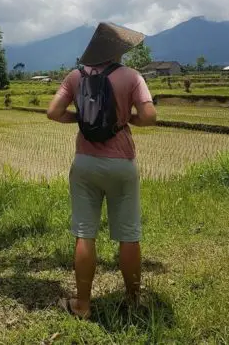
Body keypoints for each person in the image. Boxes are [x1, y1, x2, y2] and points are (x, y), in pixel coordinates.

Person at [47, 22, 157, 319]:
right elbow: (149, 115)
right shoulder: (132, 77)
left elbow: (53, 112)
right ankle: (134, 301)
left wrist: (81, 120)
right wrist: (127, 120)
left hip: (85, 163)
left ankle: (82, 305)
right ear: (118, 50)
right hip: (122, 163)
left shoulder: (74, 77)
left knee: (85, 234)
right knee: (129, 235)